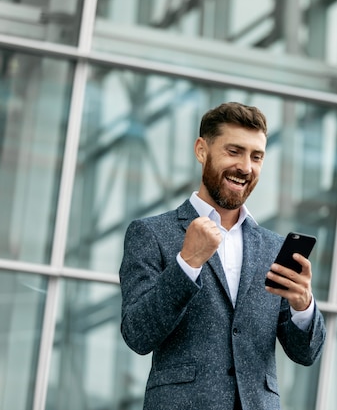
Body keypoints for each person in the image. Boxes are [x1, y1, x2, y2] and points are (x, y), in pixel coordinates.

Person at [119, 102, 326, 410]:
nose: (246, 166)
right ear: (202, 150)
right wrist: (186, 264)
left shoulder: (273, 248)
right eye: (234, 151)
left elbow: (305, 354)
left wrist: (303, 306)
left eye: (256, 156)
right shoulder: (151, 234)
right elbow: (137, 333)